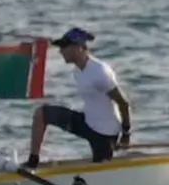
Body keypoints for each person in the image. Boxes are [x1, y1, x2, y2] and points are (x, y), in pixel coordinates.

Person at [26, 28, 130, 167]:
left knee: (99, 173)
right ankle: (33, 162)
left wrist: (126, 135)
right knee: (41, 114)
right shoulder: (78, 71)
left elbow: (123, 103)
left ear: (78, 48)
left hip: (105, 134)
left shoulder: (100, 72)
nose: (60, 51)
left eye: (64, 47)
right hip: (87, 123)